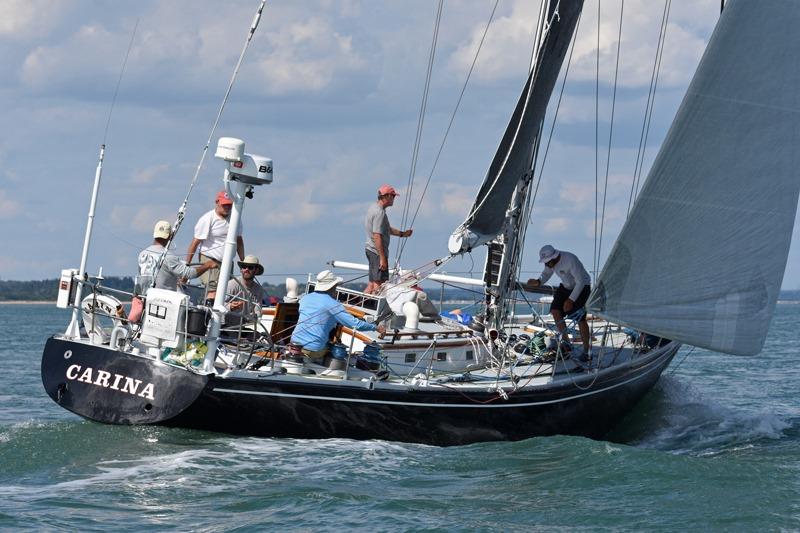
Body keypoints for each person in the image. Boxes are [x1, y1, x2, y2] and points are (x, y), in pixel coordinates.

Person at [129, 220, 217, 322]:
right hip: (163, 305)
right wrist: (207, 265)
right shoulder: (169, 257)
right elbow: (189, 273)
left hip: (146, 303)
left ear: (154, 234)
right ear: (170, 236)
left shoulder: (142, 254)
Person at [290, 270, 386, 363]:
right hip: (313, 350)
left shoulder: (305, 298)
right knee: (339, 353)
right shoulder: (333, 304)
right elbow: (355, 324)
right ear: (332, 287)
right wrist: (375, 327)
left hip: (293, 344)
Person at [524, 245, 592, 360]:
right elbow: (546, 274)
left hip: (582, 287)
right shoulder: (550, 263)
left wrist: (571, 300)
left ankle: (587, 351)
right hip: (565, 286)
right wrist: (538, 281)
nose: (546, 264)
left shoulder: (570, 259)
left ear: (555, 257)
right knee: (555, 311)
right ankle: (566, 343)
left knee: (580, 318)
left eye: (547, 262)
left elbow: (580, 282)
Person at [186, 190, 245, 297]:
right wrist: (187, 266)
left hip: (227, 262)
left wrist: (243, 262)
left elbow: (239, 241)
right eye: (224, 205)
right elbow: (195, 243)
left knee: (225, 293)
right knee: (212, 291)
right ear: (217, 202)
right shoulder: (207, 219)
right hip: (209, 259)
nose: (227, 207)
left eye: (229, 205)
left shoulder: (236, 218)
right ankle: (210, 312)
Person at [364, 184, 413, 294]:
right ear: (387, 196)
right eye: (393, 196)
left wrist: (402, 234)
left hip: (370, 250)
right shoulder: (379, 213)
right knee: (379, 284)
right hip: (376, 252)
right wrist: (382, 258)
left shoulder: (374, 208)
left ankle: (358, 308)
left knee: (372, 283)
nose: (394, 199)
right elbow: (377, 235)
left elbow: (386, 229)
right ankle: (374, 309)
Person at [224, 255, 266, 327]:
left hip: (244, 326)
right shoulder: (232, 284)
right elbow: (219, 304)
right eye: (244, 266)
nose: (246, 269)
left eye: (250, 267)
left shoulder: (259, 289)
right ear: (241, 269)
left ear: (256, 271)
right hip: (226, 326)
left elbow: (257, 310)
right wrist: (230, 306)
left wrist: (256, 315)